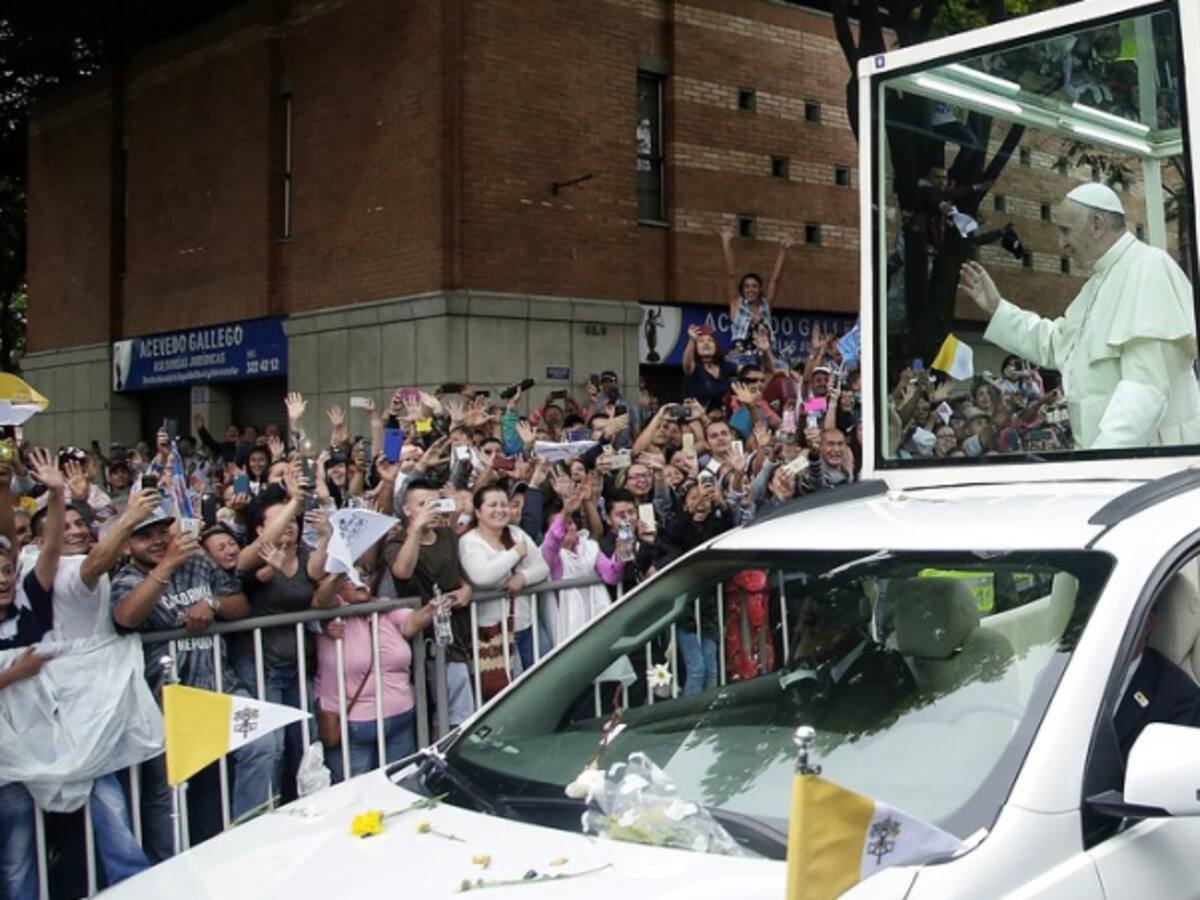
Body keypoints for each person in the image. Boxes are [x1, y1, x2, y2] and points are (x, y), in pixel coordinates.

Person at [958, 182, 1200, 449]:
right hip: (1112, 458)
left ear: (1097, 224)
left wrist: (1100, 464)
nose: (1061, 243)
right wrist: (997, 308)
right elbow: (1054, 343)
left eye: (1065, 230)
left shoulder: (1150, 267)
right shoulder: (1096, 283)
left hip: (1147, 459)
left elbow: (1145, 390)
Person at [110, 506, 270, 858]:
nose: (156, 541)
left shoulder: (199, 564)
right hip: (164, 701)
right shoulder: (125, 580)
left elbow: (241, 607)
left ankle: (246, 840)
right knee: (168, 790)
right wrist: (166, 566)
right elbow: (126, 617)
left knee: (262, 744)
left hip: (217, 686)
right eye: (144, 535)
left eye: (162, 532)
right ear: (126, 545)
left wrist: (212, 603)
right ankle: (171, 871)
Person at [312, 567, 437, 782]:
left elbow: (410, 624)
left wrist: (435, 607)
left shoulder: (384, 606)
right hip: (354, 725)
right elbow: (321, 600)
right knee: (356, 795)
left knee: (400, 789)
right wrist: (338, 572)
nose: (359, 583)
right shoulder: (331, 615)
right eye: (350, 579)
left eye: (363, 577)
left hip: (401, 718)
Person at [385, 479, 475, 729]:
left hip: (455, 633)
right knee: (441, 713)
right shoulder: (397, 542)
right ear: (407, 510)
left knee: (459, 707)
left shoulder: (447, 535)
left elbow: (461, 576)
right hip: (423, 639)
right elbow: (402, 571)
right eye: (424, 504)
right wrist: (416, 530)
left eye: (435, 503)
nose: (431, 510)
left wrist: (466, 589)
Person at [458, 485, 549, 700]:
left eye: (504, 505)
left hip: (527, 625)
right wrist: (515, 554)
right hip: (494, 631)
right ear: (478, 512)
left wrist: (522, 578)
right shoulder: (469, 541)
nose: (500, 510)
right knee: (512, 694)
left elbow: (542, 567)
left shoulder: (516, 533)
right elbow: (482, 576)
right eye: (493, 505)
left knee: (542, 685)